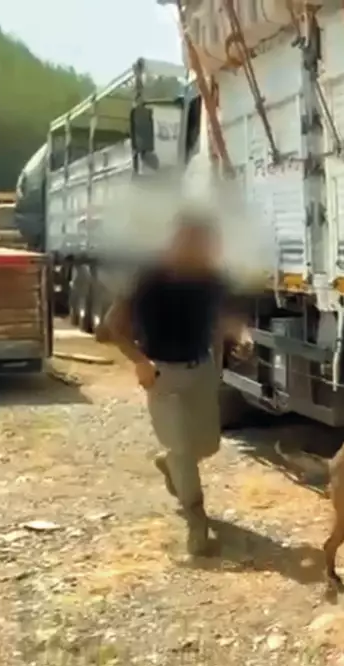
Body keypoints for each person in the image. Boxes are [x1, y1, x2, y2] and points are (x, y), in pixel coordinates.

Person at [99, 210, 253, 556]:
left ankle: (170, 465)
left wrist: (241, 337)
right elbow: (111, 325)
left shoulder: (211, 278)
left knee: (207, 445)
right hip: (161, 374)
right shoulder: (148, 279)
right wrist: (140, 362)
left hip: (202, 370)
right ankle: (196, 520)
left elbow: (226, 318)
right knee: (183, 448)